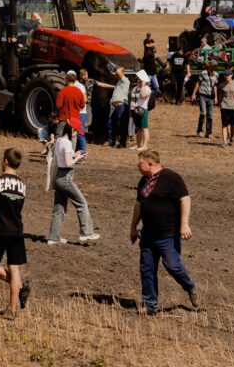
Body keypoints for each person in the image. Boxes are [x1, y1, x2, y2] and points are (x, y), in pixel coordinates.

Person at [130, 150, 200, 314]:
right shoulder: (144, 181)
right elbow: (139, 205)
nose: (137, 166)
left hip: (168, 234)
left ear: (150, 163)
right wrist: (133, 227)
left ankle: (190, 286)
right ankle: (150, 306)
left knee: (172, 265)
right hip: (148, 234)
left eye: (140, 163)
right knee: (147, 269)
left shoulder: (171, 178)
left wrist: (184, 225)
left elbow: (185, 199)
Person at [0, 148, 31, 320]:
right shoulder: (22, 186)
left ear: (6, 161)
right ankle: (12, 309)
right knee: (14, 268)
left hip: (0, 230)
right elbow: (15, 207)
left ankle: (20, 286)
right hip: (17, 231)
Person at [47, 124, 99, 244]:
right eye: (76, 132)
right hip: (66, 178)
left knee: (59, 208)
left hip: (59, 177)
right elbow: (68, 163)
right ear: (71, 130)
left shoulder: (59, 140)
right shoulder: (67, 143)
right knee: (82, 203)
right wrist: (78, 158)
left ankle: (53, 237)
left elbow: (62, 158)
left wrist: (74, 154)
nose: (76, 134)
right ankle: (86, 233)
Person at [97, 66, 130, 148]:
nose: (116, 74)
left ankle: (122, 143)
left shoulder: (125, 81)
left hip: (121, 106)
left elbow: (118, 72)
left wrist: (121, 68)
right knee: (111, 124)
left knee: (121, 125)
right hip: (114, 107)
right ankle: (111, 142)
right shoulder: (118, 82)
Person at [215, 69, 234, 148]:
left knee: (232, 125)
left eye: (228, 75)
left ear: (231, 75)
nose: (227, 76)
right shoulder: (221, 85)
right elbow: (220, 95)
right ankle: (224, 142)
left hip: (233, 107)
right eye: (225, 75)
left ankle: (232, 138)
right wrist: (220, 104)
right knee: (224, 125)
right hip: (224, 106)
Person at [55, 72, 84, 150]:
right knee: (73, 136)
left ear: (67, 80)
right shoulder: (79, 91)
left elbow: (58, 105)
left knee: (58, 136)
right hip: (75, 117)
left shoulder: (63, 91)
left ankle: (56, 153)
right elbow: (82, 105)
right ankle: (71, 153)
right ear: (74, 81)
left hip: (63, 117)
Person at [191, 60, 219, 138]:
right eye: (213, 66)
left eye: (215, 66)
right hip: (202, 96)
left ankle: (209, 133)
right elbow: (198, 83)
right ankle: (199, 131)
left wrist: (216, 97)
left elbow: (215, 86)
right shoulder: (203, 73)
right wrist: (194, 94)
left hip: (211, 97)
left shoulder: (216, 74)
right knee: (203, 113)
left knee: (210, 115)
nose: (214, 67)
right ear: (210, 66)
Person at [129, 72, 151, 151]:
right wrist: (130, 111)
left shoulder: (147, 88)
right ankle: (138, 145)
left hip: (142, 110)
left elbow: (143, 95)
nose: (137, 80)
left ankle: (145, 146)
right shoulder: (135, 88)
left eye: (139, 79)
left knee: (144, 128)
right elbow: (132, 100)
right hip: (135, 110)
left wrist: (143, 86)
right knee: (138, 128)